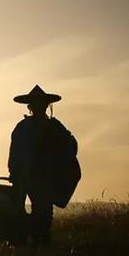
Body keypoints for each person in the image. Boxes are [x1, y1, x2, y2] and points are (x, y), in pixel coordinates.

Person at [8, 85, 78, 245]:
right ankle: (36, 245)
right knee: (41, 213)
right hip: (39, 178)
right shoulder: (53, 126)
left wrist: (14, 173)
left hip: (34, 177)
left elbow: (14, 155)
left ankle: (28, 246)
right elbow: (71, 146)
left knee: (35, 213)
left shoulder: (24, 128)